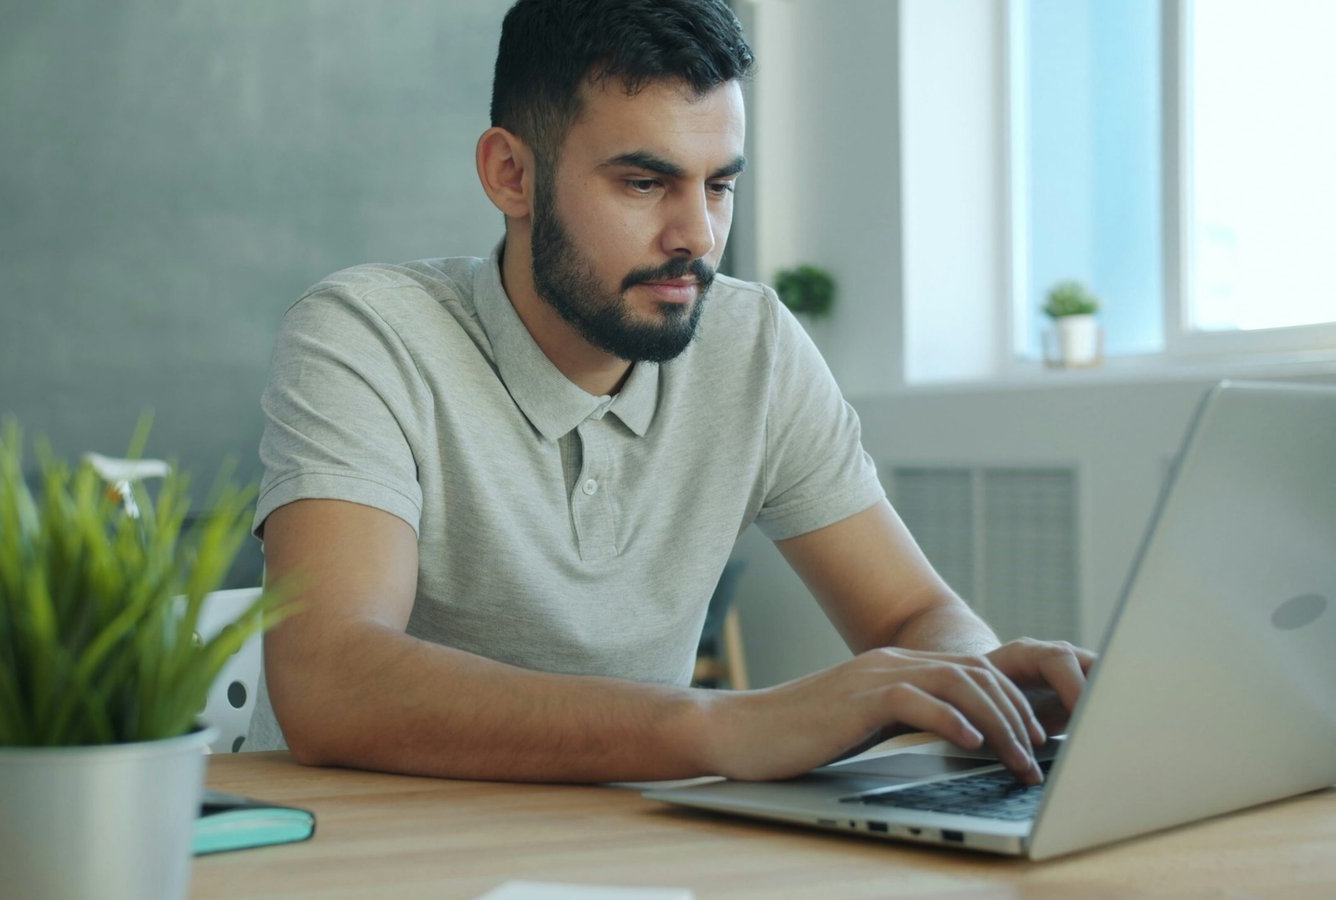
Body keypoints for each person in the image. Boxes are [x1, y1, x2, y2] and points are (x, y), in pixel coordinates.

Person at [252, 0, 1094, 784]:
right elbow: (332, 677)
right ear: (511, 174)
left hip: (636, 849)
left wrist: (979, 688)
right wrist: (725, 726)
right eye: (644, 183)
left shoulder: (751, 342)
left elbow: (913, 613)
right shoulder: (364, 334)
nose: (698, 236)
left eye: (719, 185)